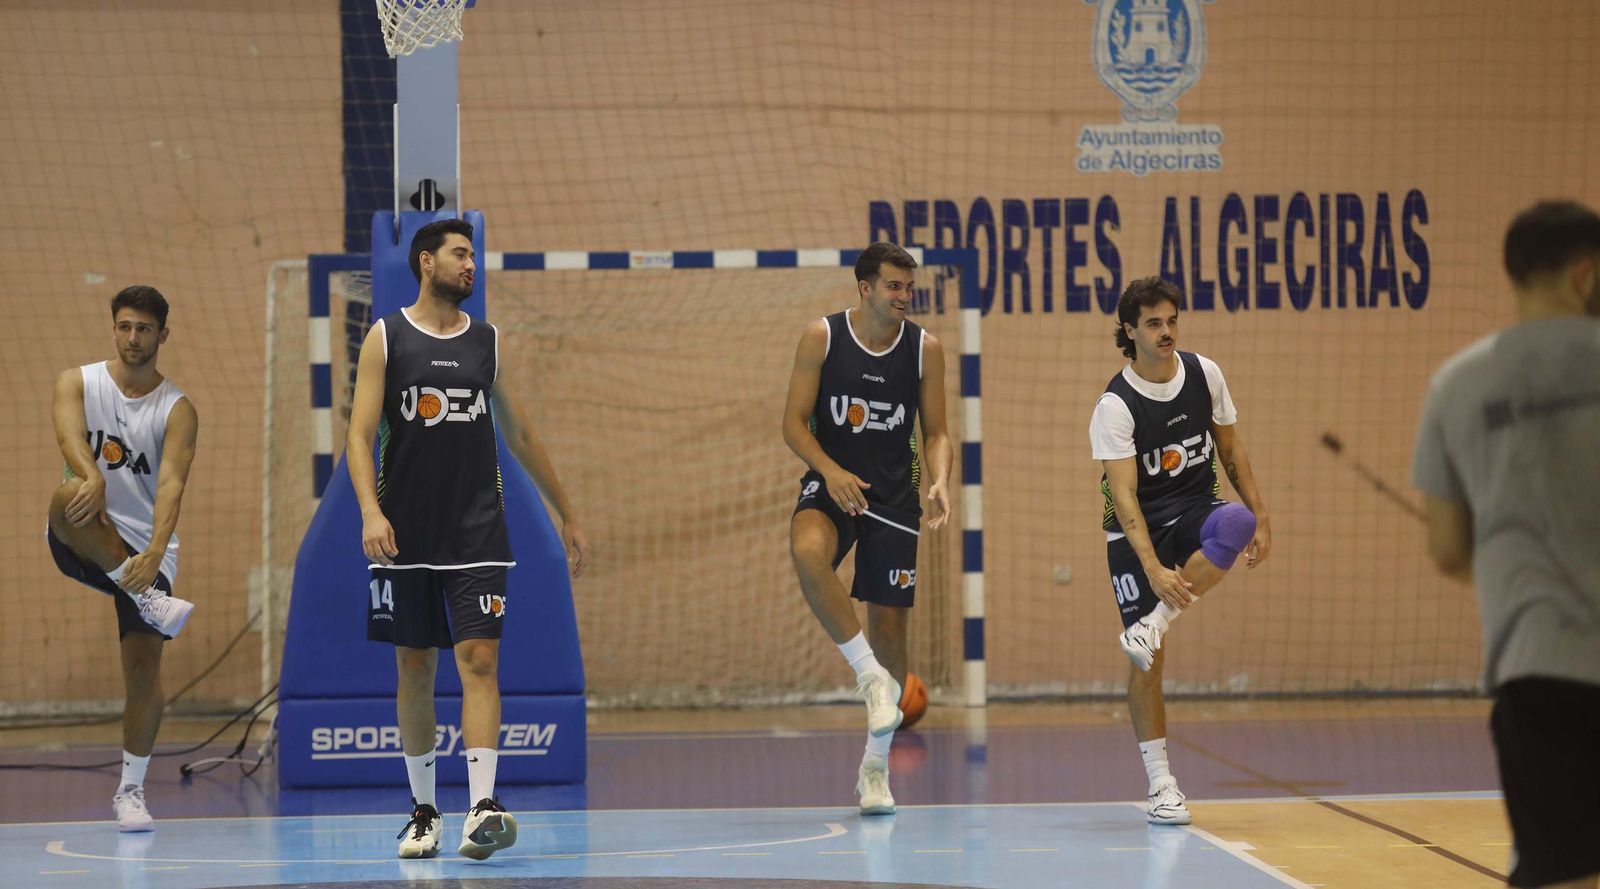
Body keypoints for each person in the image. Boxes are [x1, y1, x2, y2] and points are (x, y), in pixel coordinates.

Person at [346, 218, 590, 860]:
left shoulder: (487, 343)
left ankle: (482, 806)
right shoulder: (386, 337)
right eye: (460, 254)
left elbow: (522, 435)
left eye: (472, 255)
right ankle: (423, 810)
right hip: (404, 533)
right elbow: (359, 434)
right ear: (426, 262)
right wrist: (371, 512)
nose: (471, 264)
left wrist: (567, 511)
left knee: (480, 662)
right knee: (415, 666)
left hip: (478, 531)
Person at [1413, 200, 1600, 889]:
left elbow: (1447, 549)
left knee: (1560, 871)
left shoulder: (1457, 385)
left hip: (1539, 667)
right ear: (1585, 275)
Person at [1087, 276, 1271, 825]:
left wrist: (1262, 518)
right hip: (1135, 530)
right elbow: (1123, 498)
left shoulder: (1204, 373)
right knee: (1150, 664)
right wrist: (1152, 567)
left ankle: (1155, 620)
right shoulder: (1115, 405)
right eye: (1153, 324)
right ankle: (1162, 783)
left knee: (1235, 520)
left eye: (1171, 321)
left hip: (1193, 508)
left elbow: (1231, 449)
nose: (1166, 332)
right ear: (1129, 331)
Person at [781, 242, 953, 816]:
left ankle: (875, 773)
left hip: (895, 500)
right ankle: (868, 677)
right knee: (807, 550)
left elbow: (936, 432)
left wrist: (941, 479)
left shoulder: (926, 349)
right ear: (865, 288)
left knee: (891, 626)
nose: (904, 296)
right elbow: (792, 423)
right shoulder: (822, 338)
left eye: (909, 287)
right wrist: (829, 472)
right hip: (834, 485)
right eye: (894, 286)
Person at [47, 285, 199, 832]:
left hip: (144, 548)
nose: (133, 338)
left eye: (144, 329)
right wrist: (90, 475)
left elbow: (172, 486)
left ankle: (130, 791)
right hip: (85, 532)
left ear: (163, 334)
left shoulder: (177, 409)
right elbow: (69, 437)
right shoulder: (77, 382)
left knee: (142, 669)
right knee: (68, 499)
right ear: (113, 328)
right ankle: (147, 598)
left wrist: (156, 551)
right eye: (125, 327)